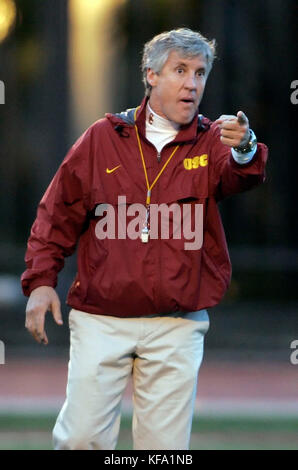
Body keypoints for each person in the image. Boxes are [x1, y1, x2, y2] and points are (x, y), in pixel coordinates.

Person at [21, 28, 268, 450]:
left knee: (164, 453)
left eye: (200, 73)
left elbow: (241, 174)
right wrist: (41, 281)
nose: (192, 83)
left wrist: (246, 147)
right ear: (151, 76)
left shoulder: (213, 140)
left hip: (176, 322)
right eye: (180, 70)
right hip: (102, 318)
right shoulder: (102, 137)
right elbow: (57, 212)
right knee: (80, 441)